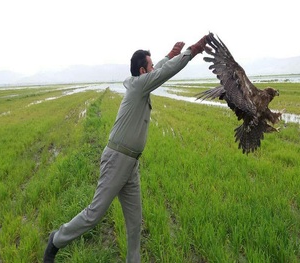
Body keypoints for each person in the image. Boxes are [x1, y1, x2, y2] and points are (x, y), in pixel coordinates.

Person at [43, 34, 209, 263]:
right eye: (150, 66)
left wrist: (168, 56)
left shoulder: (140, 82)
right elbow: (162, 73)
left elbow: (157, 69)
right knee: (95, 213)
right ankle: (56, 240)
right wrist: (192, 51)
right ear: (143, 71)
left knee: (134, 224)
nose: (153, 69)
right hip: (117, 159)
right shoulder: (140, 85)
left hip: (131, 163)